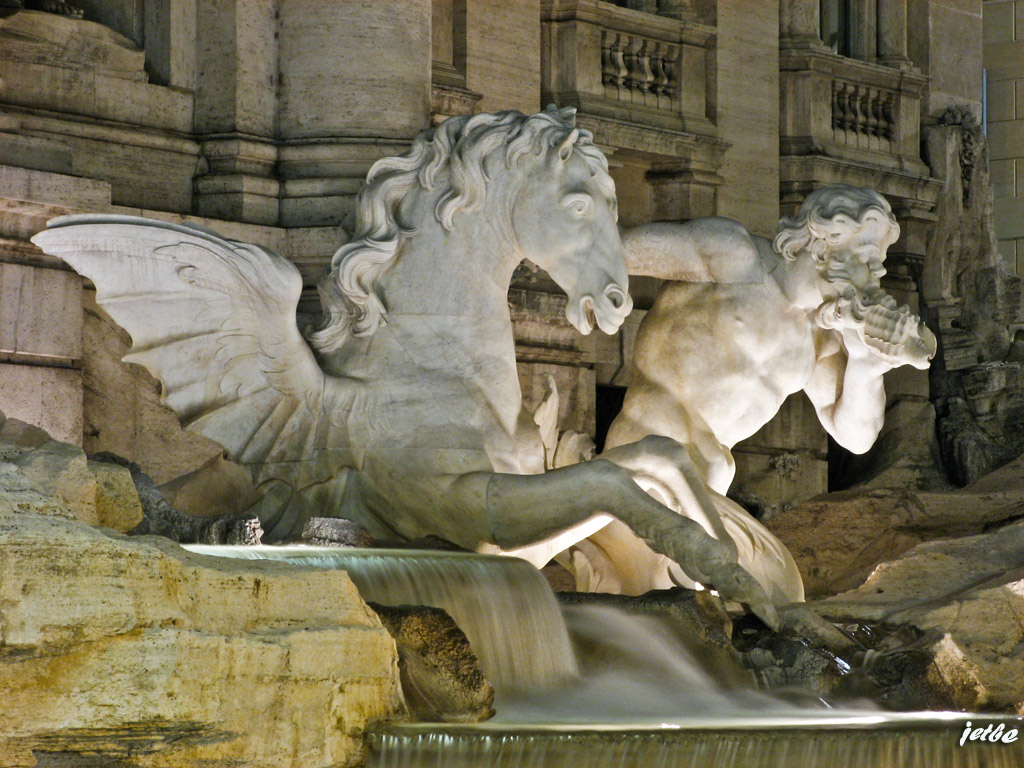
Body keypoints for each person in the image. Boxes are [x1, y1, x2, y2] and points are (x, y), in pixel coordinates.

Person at [564, 184, 936, 600]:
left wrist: (868, 367)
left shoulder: (822, 336)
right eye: (869, 257)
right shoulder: (733, 256)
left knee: (758, 595)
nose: (878, 274)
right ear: (822, 242)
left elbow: (857, 436)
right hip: (647, 448)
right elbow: (613, 249)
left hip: (710, 476)